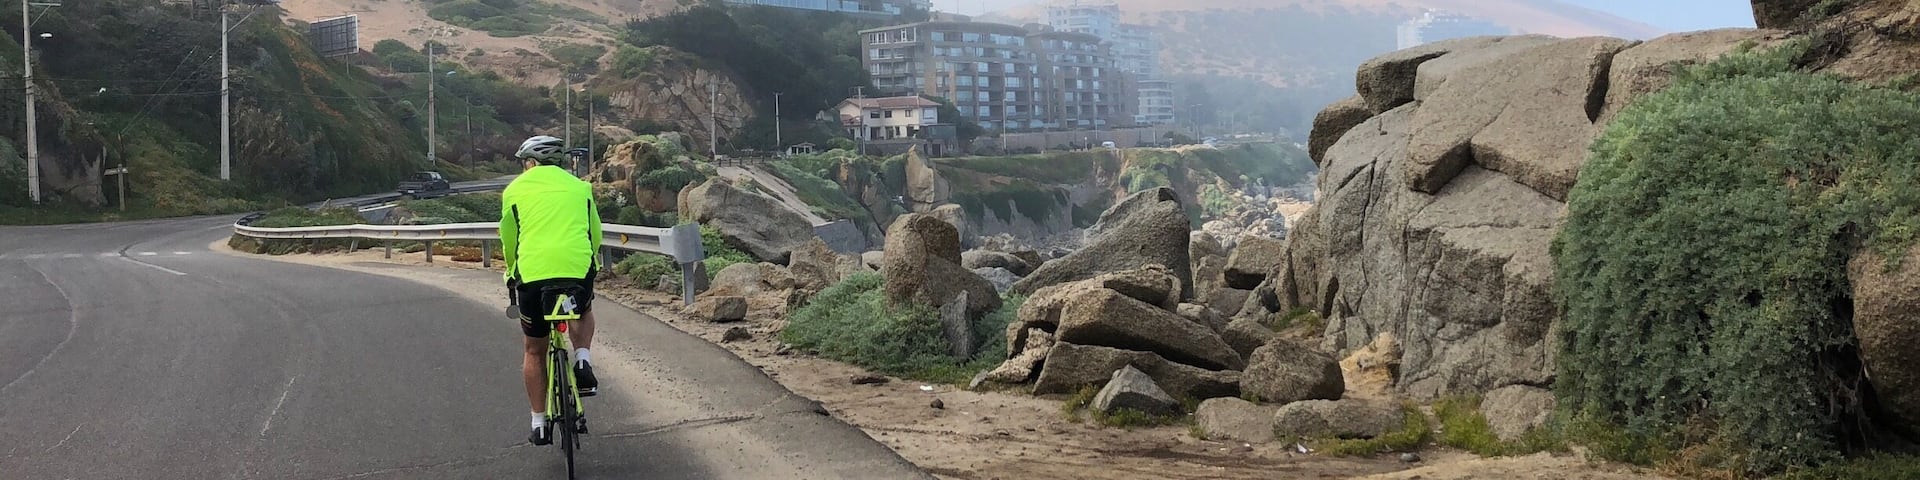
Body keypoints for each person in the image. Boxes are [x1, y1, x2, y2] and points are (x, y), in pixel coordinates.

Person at [500, 135, 602, 446]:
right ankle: (582, 358)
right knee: (582, 310)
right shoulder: (581, 187)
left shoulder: (514, 190)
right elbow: (594, 233)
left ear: (529, 163)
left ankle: (539, 423)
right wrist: (591, 265)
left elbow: (509, 242)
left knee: (534, 349)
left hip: (533, 275)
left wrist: (510, 274)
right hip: (575, 269)